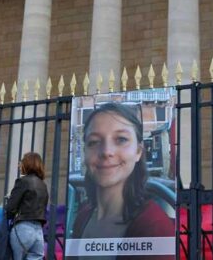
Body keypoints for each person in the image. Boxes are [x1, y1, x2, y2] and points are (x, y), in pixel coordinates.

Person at [70, 102, 172, 255]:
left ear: (138, 151)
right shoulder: (83, 216)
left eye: (121, 139)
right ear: (85, 152)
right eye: (94, 142)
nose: (106, 151)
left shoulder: (155, 226)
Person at [6, 152, 50, 260]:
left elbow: (10, 207)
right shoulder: (43, 185)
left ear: (28, 164)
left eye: (22, 162)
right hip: (38, 230)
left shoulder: (23, 181)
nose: (19, 164)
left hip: (23, 227)